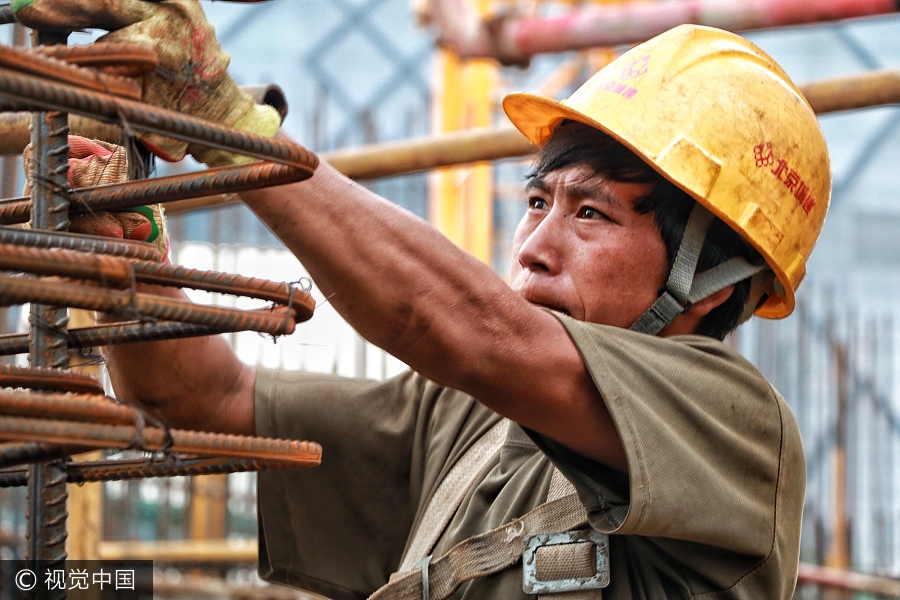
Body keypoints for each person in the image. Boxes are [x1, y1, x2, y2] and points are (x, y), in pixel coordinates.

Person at [15, 2, 831, 599]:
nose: (535, 245)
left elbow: (458, 324)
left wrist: (230, 124)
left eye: (591, 213)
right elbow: (206, 401)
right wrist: (135, 266)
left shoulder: (738, 430)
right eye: (538, 203)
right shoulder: (473, 420)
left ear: (712, 276)